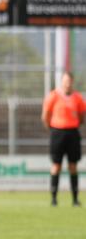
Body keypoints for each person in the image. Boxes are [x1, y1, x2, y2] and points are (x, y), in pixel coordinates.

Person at [42, 71, 85, 206]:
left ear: (72, 82)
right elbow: (45, 115)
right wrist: (51, 128)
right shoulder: (53, 96)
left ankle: (75, 199)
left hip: (73, 133)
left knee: (73, 166)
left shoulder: (77, 97)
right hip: (57, 133)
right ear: (62, 82)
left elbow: (81, 116)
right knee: (56, 165)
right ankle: (54, 199)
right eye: (65, 81)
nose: (67, 84)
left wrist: (75, 124)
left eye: (69, 81)